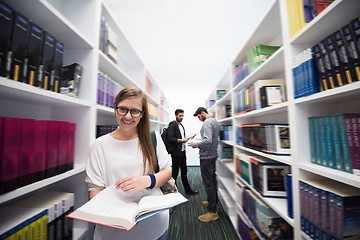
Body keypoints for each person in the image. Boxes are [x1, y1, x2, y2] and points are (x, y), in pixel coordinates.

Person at [85, 86, 172, 240]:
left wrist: (147, 180)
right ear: (115, 108)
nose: (128, 116)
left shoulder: (153, 138)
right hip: (114, 231)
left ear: (142, 114)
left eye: (135, 111)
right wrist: (116, 216)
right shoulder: (99, 145)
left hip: (155, 227)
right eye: (123, 109)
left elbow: (166, 172)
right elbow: (95, 189)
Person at [190, 107, 220, 222]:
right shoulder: (214, 121)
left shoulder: (207, 123)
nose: (199, 119)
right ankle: (214, 202)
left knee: (208, 183)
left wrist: (196, 144)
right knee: (212, 181)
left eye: (198, 117)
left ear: (202, 113)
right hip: (213, 155)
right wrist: (200, 140)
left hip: (206, 157)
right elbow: (211, 139)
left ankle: (212, 212)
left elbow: (207, 141)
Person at [167, 109, 198, 195]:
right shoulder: (172, 125)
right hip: (176, 154)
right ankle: (173, 193)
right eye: (180, 116)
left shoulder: (181, 125)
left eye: (182, 116)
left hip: (182, 152)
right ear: (175, 115)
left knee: (184, 173)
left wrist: (187, 138)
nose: (181, 117)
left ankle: (188, 191)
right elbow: (170, 139)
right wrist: (182, 140)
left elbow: (182, 138)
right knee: (175, 174)